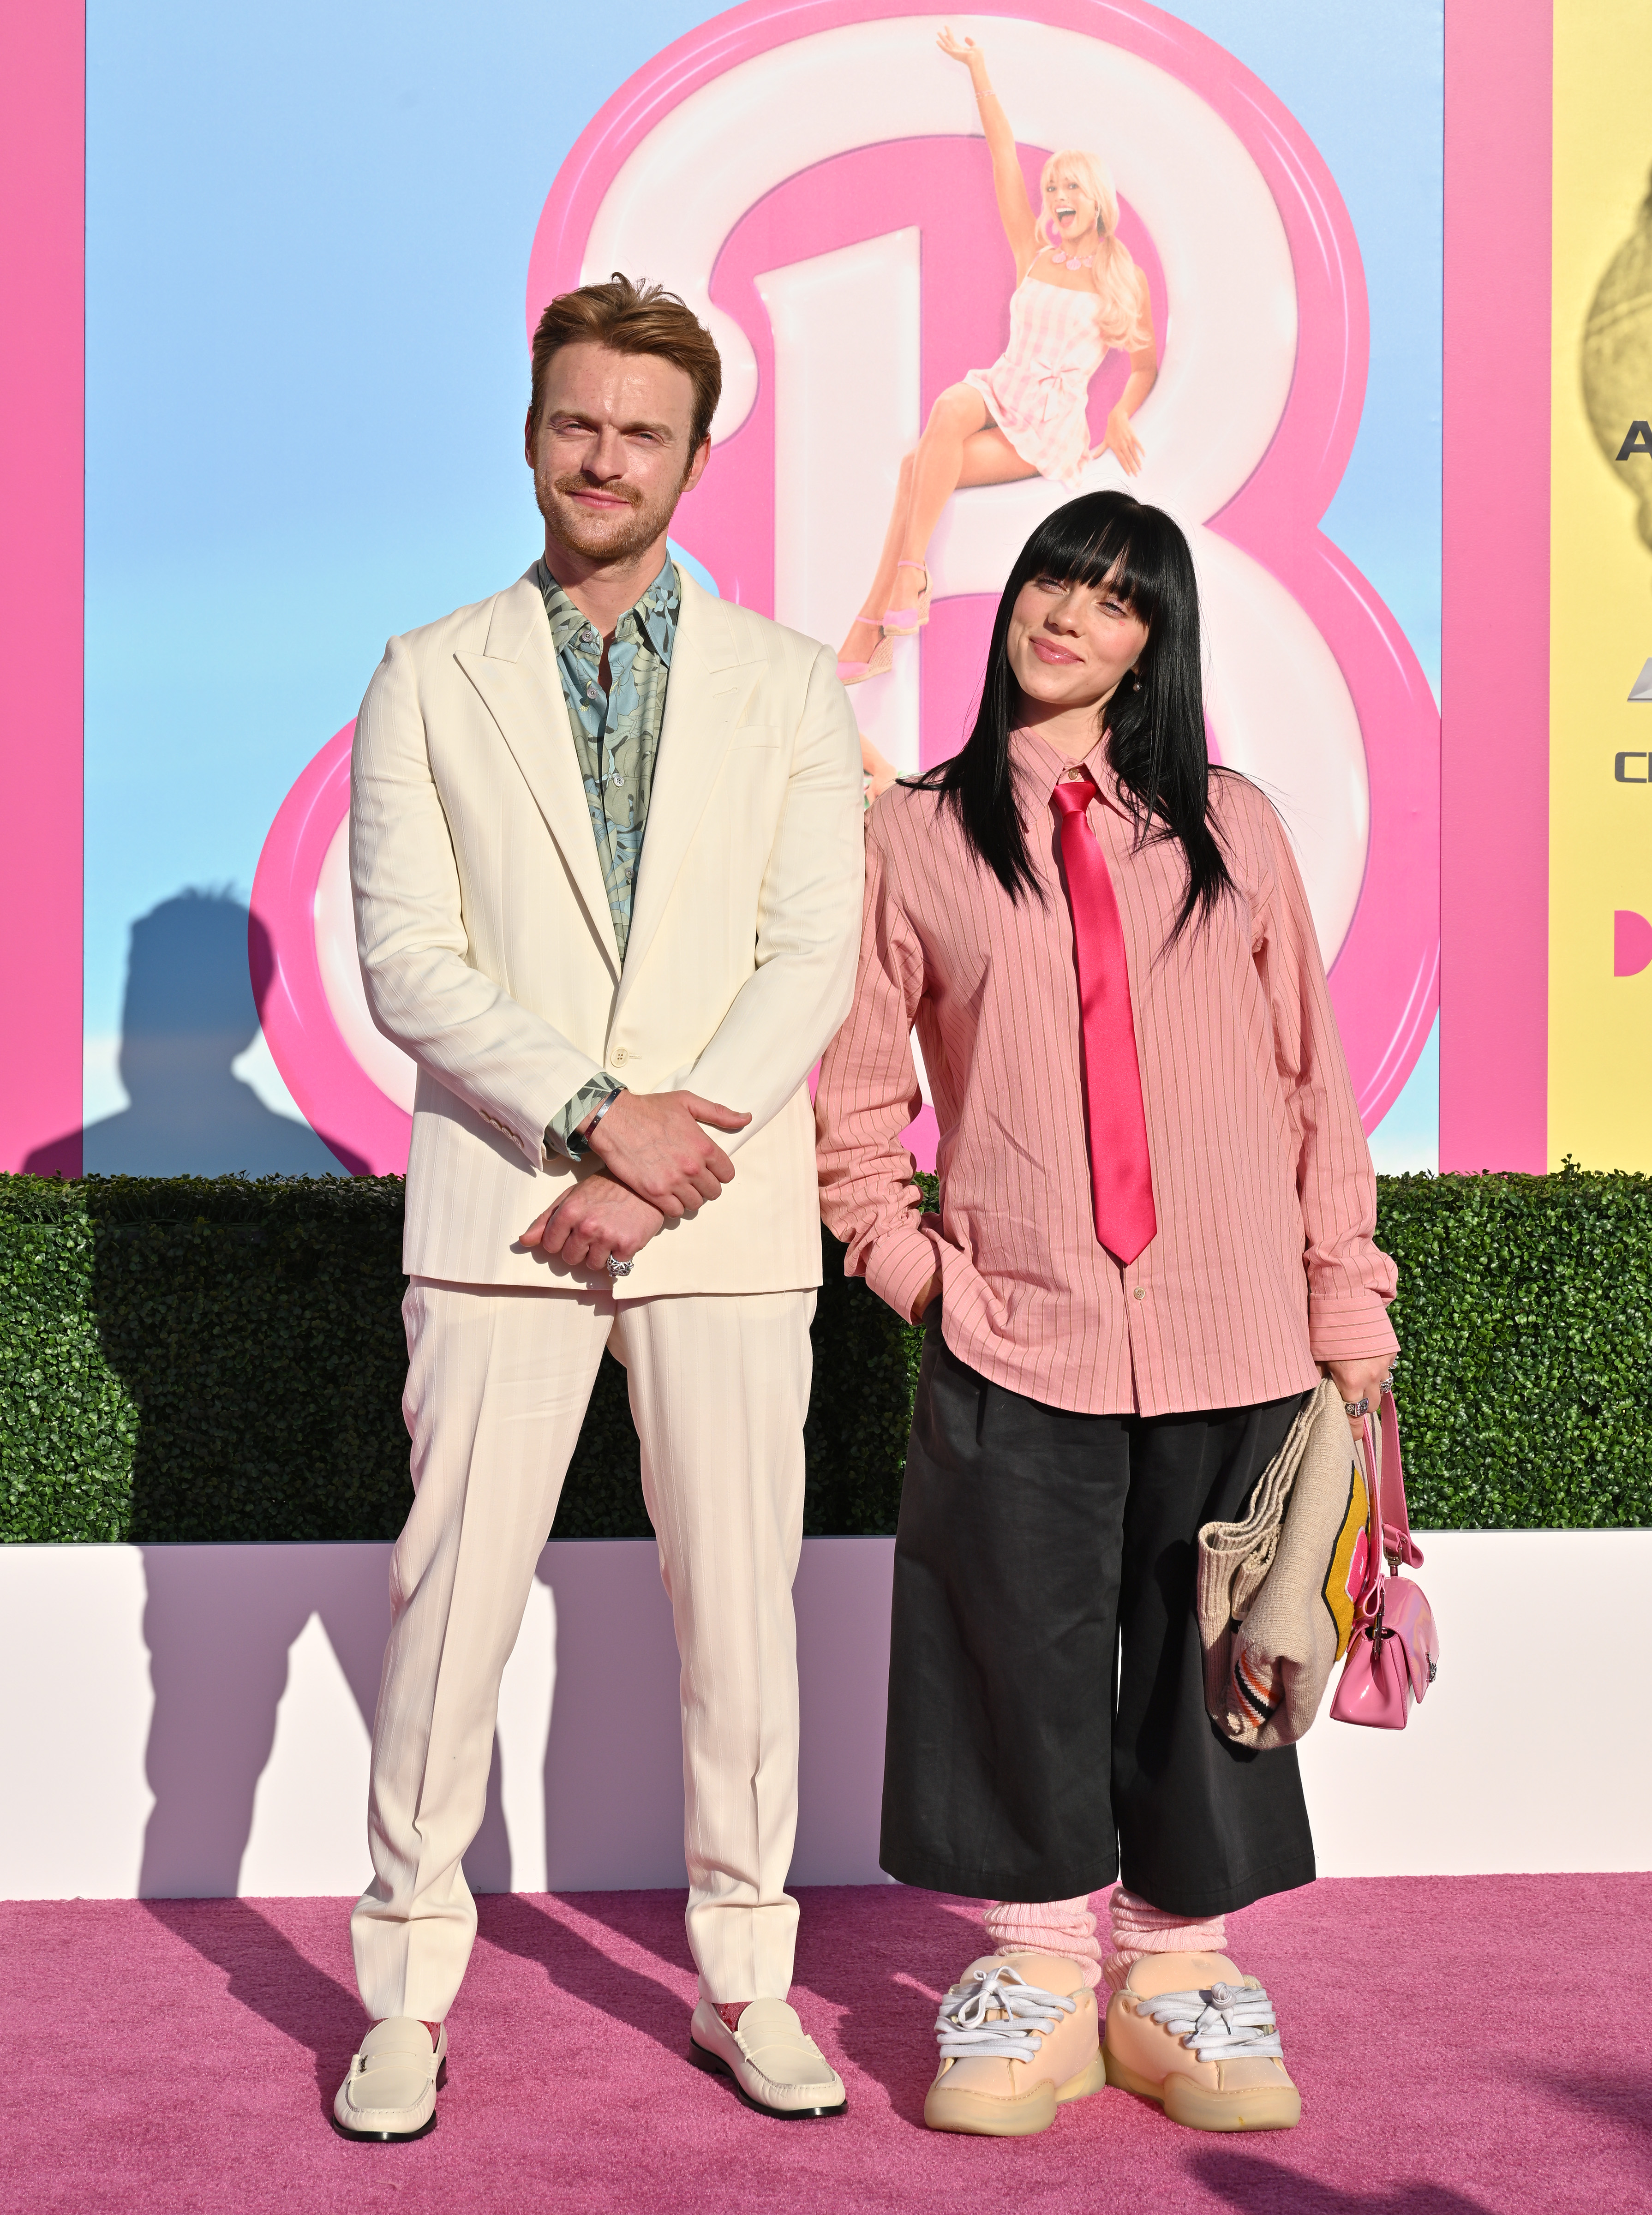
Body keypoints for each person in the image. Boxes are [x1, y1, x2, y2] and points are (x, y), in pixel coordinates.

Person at [335, 274, 864, 2139]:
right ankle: (401, 1990)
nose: (605, 458)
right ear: (531, 428)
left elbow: (814, 954)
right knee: (449, 1610)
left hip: (716, 1218)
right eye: (578, 422)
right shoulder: (425, 670)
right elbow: (407, 961)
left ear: (696, 457)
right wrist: (588, 1117)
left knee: (742, 1620)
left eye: (644, 431)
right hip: (501, 1209)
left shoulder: (794, 685)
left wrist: (665, 1152)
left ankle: (746, 1984)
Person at [815, 490, 1398, 2138]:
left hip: (1236, 1334)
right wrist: (922, 1275)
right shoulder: (915, 836)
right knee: (1013, 1652)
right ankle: (1033, 1972)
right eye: (1058, 579)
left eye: (1119, 600)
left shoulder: (1235, 827)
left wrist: (1343, 1306)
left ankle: (1178, 1970)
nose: (1071, 615)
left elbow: (1313, 1089)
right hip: (1022, 1334)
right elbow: (856, 1111)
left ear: (1159, 640)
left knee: (1215, 1662)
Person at [837, 26, 1158, 686]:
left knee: (912, 468)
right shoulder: (1034, 253)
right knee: (952, 405)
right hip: (999, 387)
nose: (1056, 199)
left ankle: (875, 620)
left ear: (1095, 198)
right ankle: (906, 583)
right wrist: (978, 69)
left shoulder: (1121, 277)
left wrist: (1123, 413)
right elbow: (1003, 151)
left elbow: (1146, 364)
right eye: (1051, 190)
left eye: (1069, 188)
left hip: (1048, 425)